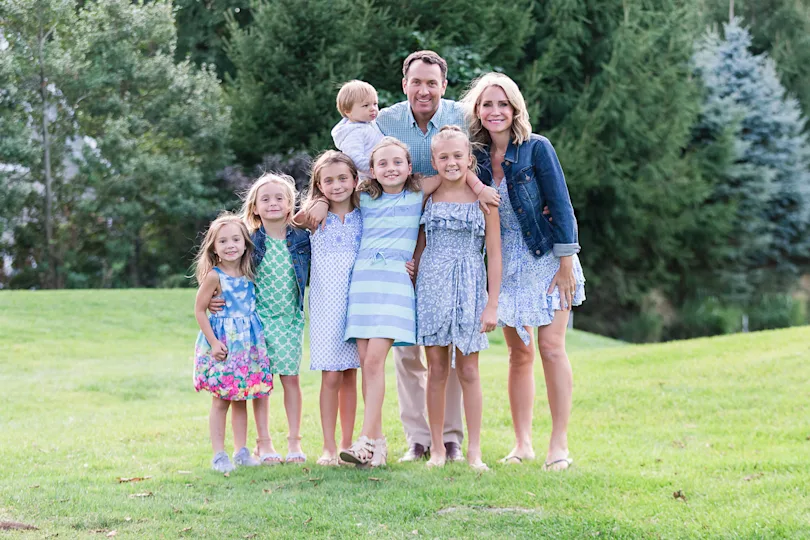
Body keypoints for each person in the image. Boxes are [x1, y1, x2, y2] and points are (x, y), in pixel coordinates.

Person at [462, 72, 586, 471]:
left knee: (551, 347)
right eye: (487, 104)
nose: (495, 111)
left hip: (548, 256)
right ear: (478, 111)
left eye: (502, 103)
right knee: (519, 354)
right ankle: (522, 443)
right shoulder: (476, 159)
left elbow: (561, 204)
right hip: (505, 260)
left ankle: (559, 445)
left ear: (515, 108)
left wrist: (566, 263)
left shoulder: (536, 149)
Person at [414, 126, 502, 472]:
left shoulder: (485, 200)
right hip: (432, 286)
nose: (451, 162)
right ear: (434, 160)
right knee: (436, 369)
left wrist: (491, 303)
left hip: (469, 285)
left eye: (457, 156)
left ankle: (474, 451)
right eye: (443, 157)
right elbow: (419, 246)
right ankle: (436, 448)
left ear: (469, 158)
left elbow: (493, 255)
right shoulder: (427, 198)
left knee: (468, 370)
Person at [211, 174, 312, 464]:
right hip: (257, 322)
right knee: (260, 383)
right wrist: (216, 296)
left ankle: (294, 442)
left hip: (290, 320)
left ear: (291, 204)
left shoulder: (302, 238)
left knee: (291, 380)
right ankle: (263, 443)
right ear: (254, 207)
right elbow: (226, 267)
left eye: (280, 198)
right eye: (265, 199)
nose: (273, 203)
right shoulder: (251, 240)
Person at [192, 213, 273, 473]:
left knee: (242, 398)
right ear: (214, 248)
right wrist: (214, 343)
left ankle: (241, 451)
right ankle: (219, 454)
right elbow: (199, 310)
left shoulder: (250, 272)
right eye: (223, 241)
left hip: (246, 346)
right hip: (223, 345)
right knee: (221, 400)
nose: (230, 245)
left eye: (236, 239)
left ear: (246, 243)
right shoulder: (214, 277)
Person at [302, 151, 362, 466]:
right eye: (328, 180)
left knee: (351, 374)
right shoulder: (314, 217)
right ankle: (327, 445)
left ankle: (347, 443)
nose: (337, 185)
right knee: (331, 376)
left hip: (358, 303)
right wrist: (317, 204)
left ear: (355, 180)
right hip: (326, 305)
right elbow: (293, 221)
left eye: (343, 178)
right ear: (319, 184)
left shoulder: (365, 214)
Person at [331, 80, 384, 180]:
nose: (373, 108)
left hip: (382, 173)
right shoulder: (352, 133)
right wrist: (378, 170)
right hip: (369, 182)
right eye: (366, 105)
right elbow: (355, 160)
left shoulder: (370, 123)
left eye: (375, 104)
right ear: (348, 111)